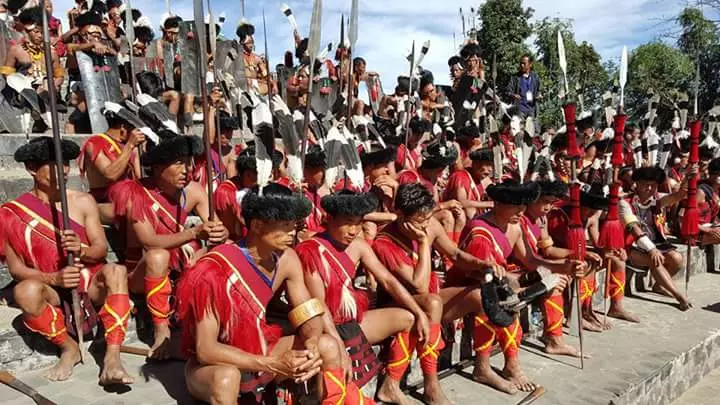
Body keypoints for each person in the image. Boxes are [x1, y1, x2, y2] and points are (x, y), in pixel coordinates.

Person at [176, 184, 373, 404]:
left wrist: (311, 342)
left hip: (260, 349)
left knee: (326, 345)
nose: (293, 233)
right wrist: (272, 364)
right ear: (257, 225)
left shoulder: (287, 259)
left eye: (293, 225)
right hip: (217, 364)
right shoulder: (213, 270)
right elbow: (206, 349)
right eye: (285, 226)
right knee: (226, 379)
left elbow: (308, 313)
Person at [0, 137, 133, 385]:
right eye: (54, 164)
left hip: (89, 282)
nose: (63, 170)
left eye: (66, 164)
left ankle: (112, 356)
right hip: (51, 288)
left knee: (116, 271)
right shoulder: (11, 213)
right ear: (31, 168)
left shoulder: (83, 201)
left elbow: (100, 249)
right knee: (25, 291)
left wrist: (81, 249)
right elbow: (16, 269)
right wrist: (54, 278)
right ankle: (68, 347)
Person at [373, 183, 513, 402]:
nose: (425, 225)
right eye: (419, 221)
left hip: (431, 300)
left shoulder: (429, 224)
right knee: (432, 303)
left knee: (482, 295)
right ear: (399, 214)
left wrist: (482, 264)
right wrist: (423, 242)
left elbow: (455, 254)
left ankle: (483, 367)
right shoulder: (384, 242)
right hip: (399, 305)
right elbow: (418, 286)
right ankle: (431, 385)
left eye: (427, 218)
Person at [296, 190, 432, 404]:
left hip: (350, 321)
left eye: (359, 223)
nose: (354, 231)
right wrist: (339, 347)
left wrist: (419, 312)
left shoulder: (358, 245)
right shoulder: (311, 250)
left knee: (409, 318)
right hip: (325, 328)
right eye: (348, 223)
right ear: (329, 219)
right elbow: (318, 305)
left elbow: (387, 280)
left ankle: (391, 385)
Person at [448, 181, 583, 393]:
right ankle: (485, 367)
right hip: (470, 287)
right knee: (498, 301)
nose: (521, 211)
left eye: (523, 206)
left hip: (498, 281)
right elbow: (484, 278)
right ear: (497, 205)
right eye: (515, 206)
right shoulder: (479, 232)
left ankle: (521, 359)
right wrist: (531, 282)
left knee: (539, 285)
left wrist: (564, 267)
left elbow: (531, 260)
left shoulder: (515, 226)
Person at [109, 135, 229, 359]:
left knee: (226, 251)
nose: (187, 170)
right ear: (157, 167)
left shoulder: (194, 191)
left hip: (181, 266)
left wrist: (221, 233)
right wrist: (194, 233)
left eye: (189, 162)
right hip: (142, 272)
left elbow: (218, 227)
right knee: (158, 256)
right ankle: (162, 330)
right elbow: (149, 241)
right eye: (179, 163)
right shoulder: (135, 193)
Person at [620, 166, 692, 310]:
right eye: (646, 184)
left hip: (655, 242)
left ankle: (659, 286)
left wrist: (688, 176)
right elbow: (634, 229)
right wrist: (651, 249)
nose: (650, 188)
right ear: (637, 184)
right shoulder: (624, 203)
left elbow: (680, 195)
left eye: (653, 185)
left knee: (677, 258)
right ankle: (678, 295)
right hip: (630, 245)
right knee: (655, 260)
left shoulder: (657, 199)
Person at [79, 102, 145, 213]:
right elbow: (111, 175)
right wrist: (130, 146)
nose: (137, 131)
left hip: (129, 197)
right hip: (105, 203)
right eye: (134, 127)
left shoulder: (130, 146)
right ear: (123, 127)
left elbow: (139, 178)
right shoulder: (95, 143)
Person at [1, 7, 64, 93]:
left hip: (47, 94)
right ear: (27, 31)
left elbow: (59, 75)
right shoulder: (15, 50)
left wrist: (52, 86)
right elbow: (7, 73)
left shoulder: (52, 52)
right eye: (36, 31)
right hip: (22, 94)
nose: (40, 35)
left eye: (42, 32)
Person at [443, 147, 495, 220]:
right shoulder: (460, 176)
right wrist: (488, 204)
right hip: (457, 216)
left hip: (477, 216)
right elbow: (461, 202)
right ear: (476, 163)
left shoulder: (482, 179)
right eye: (487, 165)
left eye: (492, 166)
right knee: (470, 210)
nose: (490, 169)